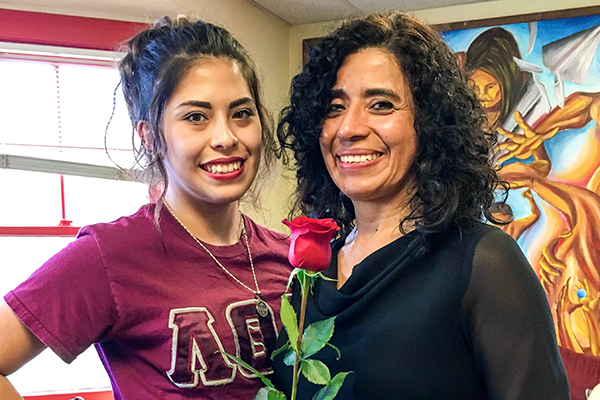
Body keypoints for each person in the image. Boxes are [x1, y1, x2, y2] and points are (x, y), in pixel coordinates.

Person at [273, 11, 569, 400]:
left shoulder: (485, 264)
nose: (349, 128)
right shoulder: (313, 267)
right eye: (334, 107)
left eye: (380, 105)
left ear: (430, 124)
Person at [0, 16, 291, 399]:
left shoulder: (288, 257)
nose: (226, 137)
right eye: (195, 117)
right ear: (151, 136)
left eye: (241, 113)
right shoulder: (110, 256)